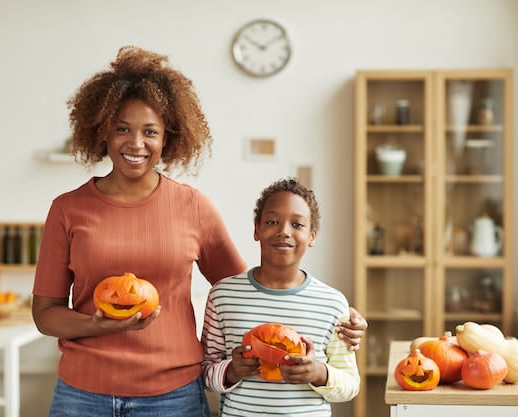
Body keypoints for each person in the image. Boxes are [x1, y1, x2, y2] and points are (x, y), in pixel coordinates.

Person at [32, 46, 365, 417]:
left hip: (172, 395)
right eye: (122, 129)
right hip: (82, 393)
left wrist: (341, 320)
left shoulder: (194, 207)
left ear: (168, 138)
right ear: (102, 131)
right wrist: (93, 324)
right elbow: (46, 313)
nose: (136, 143)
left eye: (150, 132)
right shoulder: (67, 209)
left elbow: (252, 291)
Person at [201, 177, 360, 417]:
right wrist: (232, 370)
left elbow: (350, 384)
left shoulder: (333, 303)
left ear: (312, 236)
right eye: (272, 221)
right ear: (257, 229)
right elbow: (204, 372)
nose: (284, 231)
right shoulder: (223, 296)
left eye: (297, 225)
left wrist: (318, 373)